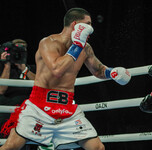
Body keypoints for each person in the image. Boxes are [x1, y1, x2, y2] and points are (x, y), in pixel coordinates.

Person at [0, 8, 131, 150]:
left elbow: (98, 70)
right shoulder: (49, 42)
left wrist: (113, 73)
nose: (91, 28)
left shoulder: (85, 48)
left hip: (67, 109)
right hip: (39, 107)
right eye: (88, 23)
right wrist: (77, 46)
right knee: (11, 146)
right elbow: (57, 70)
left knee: (97, 147)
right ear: (75, 25)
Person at [0, 39, 36, 139]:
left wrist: (24, 69)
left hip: (28, 110)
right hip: (7, 111)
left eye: (22, 49)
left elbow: (40, 85)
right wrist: (7, 66)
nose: (18, 53)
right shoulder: (2, 68)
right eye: (16, 49)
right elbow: (1, 90)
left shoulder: (32, 69)